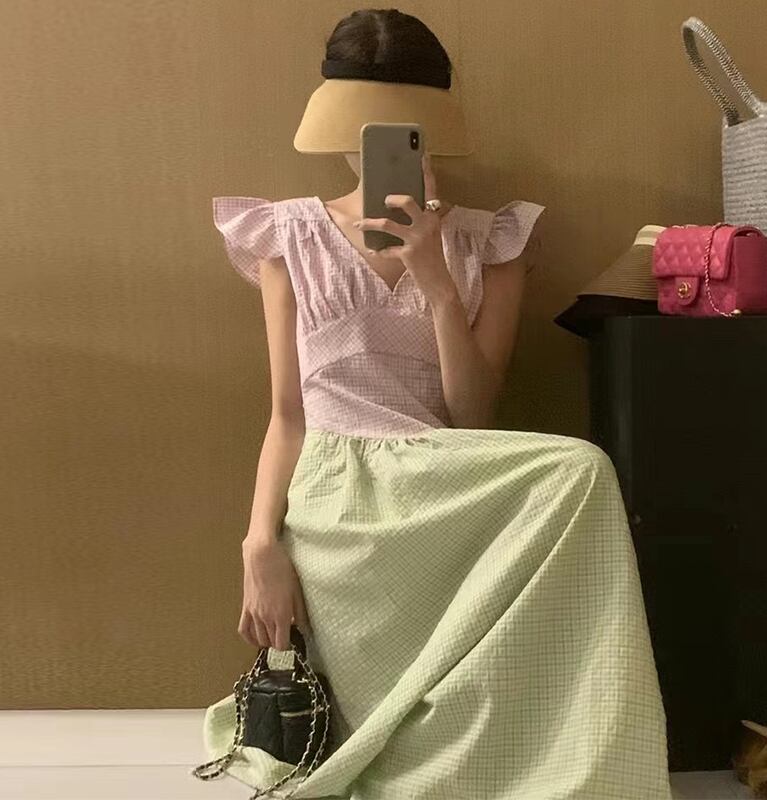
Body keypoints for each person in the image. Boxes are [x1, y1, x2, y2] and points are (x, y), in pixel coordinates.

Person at [199, 8, 671, 800]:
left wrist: (437, 280)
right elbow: (288, 415)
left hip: (445, 475)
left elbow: (474, 415)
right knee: (574, 469)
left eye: (403, 133)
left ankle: (577, 757)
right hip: (339, 494)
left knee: (580, 470)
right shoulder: (289, 236)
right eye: (368, 130)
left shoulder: (492, 240)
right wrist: (259, 544)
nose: (383, 150)